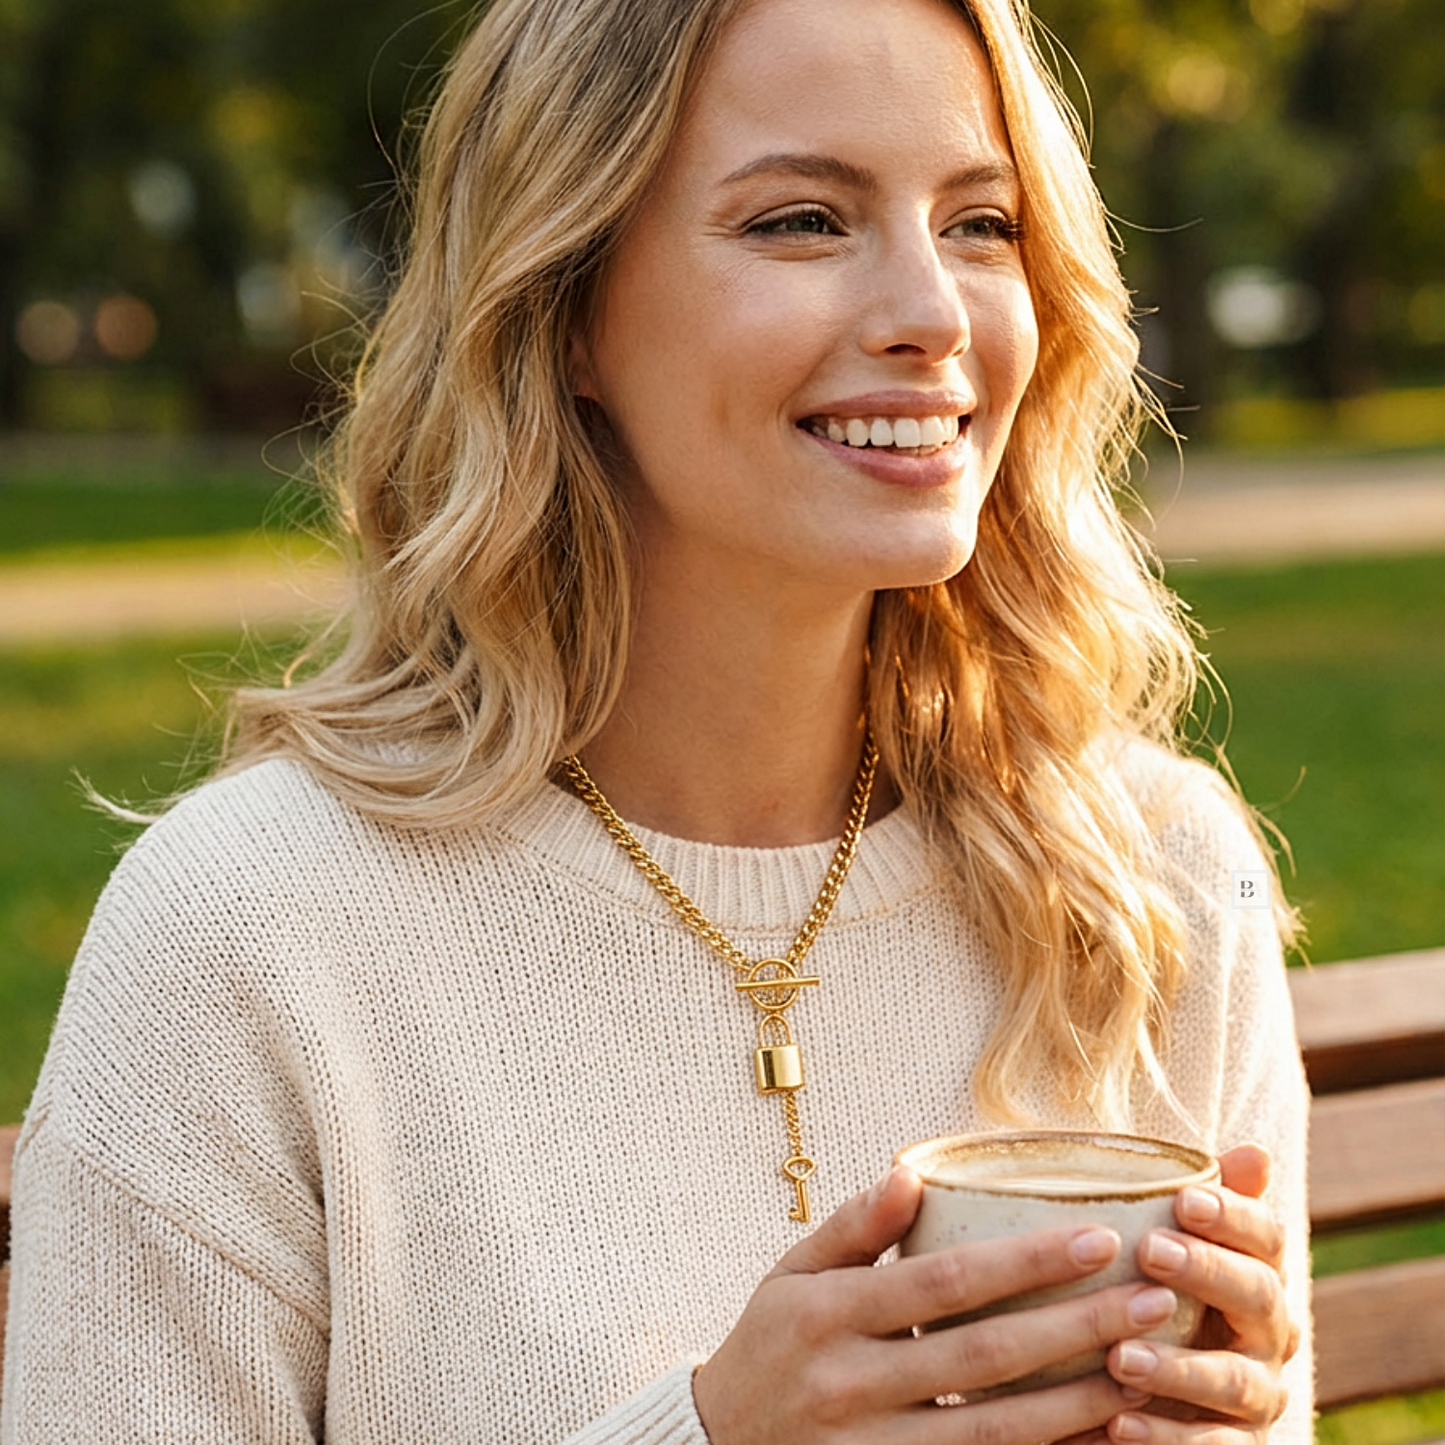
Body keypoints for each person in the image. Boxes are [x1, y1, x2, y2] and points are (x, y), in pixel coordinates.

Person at [1, 0, 1310, 1439]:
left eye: (983, 224)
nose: (933, 313)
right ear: (563, 310)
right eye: (802, 220)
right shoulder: (246, 933)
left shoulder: (1158, 885)